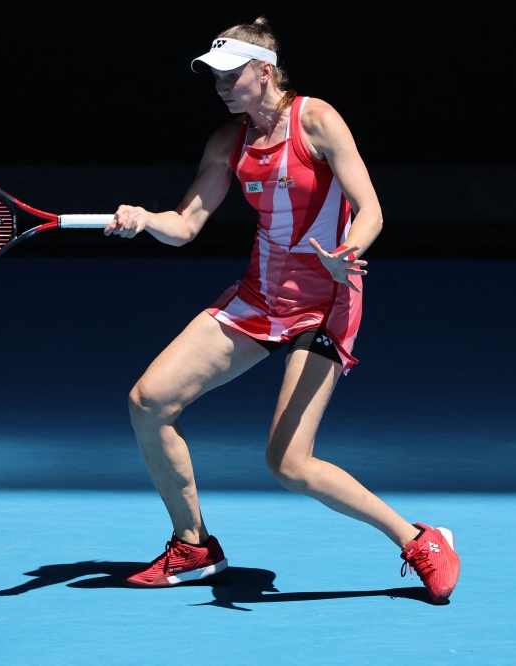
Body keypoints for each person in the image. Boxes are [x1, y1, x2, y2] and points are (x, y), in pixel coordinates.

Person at [103, 17, 460, 603]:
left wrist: (346, 254)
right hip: (258, 297)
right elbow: (186, 224)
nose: (220, 86)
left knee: (289, 464)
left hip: (325, 301)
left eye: (230, 74)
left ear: (263, 72)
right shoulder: (228, 141)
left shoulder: (316, 120)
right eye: (213, 76)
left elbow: (370, 209)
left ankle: (419, 538)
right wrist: (143, 219)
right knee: (149, 402)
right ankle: (193, 545)